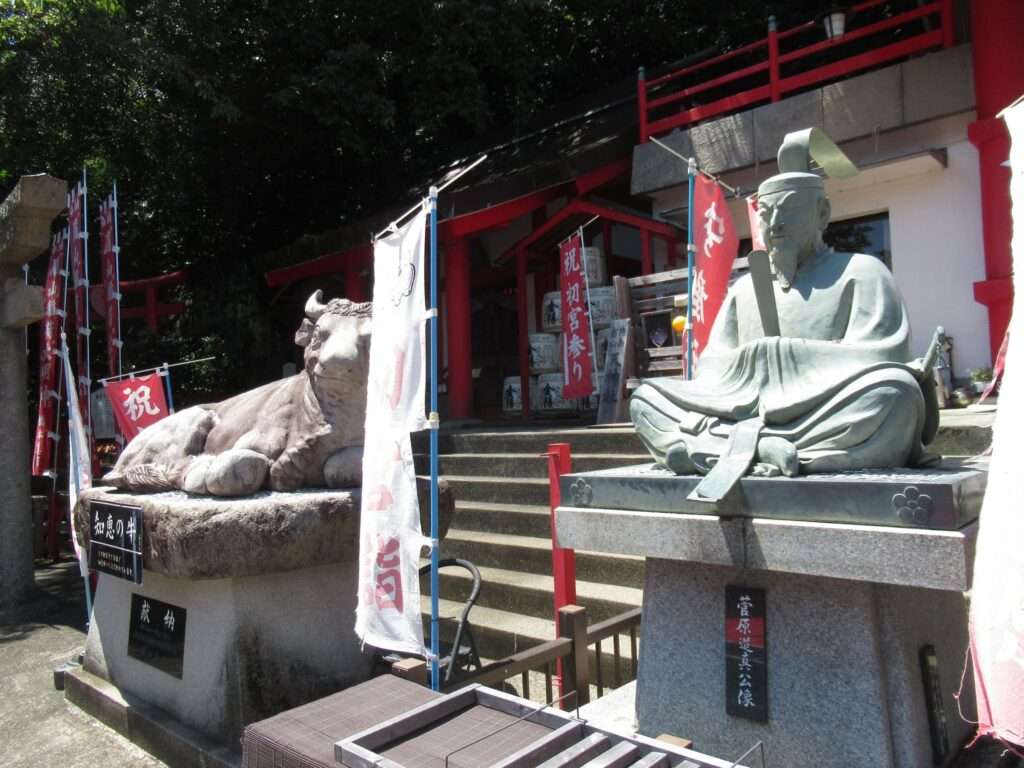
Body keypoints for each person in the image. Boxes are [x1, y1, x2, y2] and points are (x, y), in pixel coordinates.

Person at [630, 130, 938, 479]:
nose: (774, 224)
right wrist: (757, 366)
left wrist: (780, 355)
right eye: (767, 213)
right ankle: (763, 448)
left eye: (789, 211)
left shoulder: (862, 272)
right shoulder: (746, 287)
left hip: (820, 409)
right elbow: (711, 366)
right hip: (743, 407)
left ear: (822, 214)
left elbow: (883, 355)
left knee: (895, 393)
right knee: (646, 398)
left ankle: (715, 450)